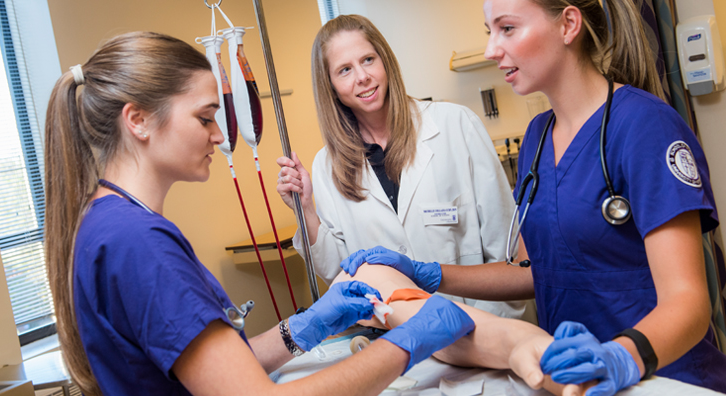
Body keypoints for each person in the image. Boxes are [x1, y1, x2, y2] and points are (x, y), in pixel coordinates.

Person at [43, 31, 475, 396]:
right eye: (205, 117)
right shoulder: (139, 243)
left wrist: (304, 325)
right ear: (137, 120)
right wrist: (407, 342)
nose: (218, 135)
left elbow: (217, 371)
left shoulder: (105, 222)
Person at [341, 0, 726, 394]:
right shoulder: (538, 138)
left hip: (662, 378)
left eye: (507, 29)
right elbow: (529, 270)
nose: (492, 48)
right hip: (570, 381)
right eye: (489, 31)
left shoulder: (645, 126)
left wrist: (619, 356)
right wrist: (428, 272)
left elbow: (689, 302)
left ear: (568, 25)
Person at [275, 14, 529, 320]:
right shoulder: (327, 165)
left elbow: (506, 251)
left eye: (368, 60)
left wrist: (489, 333)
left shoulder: (455, 125)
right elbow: (341, 273)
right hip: (399, 342)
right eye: (344, 70)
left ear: (385, 61)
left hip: (483, 327)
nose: (362, 77)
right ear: (330, 85)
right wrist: (306, 211)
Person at [331, 262, 592, 396]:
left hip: (494, 332)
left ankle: (543, 354)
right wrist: (292, 333)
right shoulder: (361, 278)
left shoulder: (361, 275)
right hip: (487, 340)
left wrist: (521, 342)